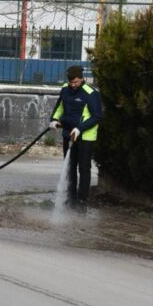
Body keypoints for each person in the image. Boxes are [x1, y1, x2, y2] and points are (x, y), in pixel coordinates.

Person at [49, 65, 102, 211]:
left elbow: (97, 116)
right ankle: (71, 200)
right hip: (68, 134)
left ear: (82, 79)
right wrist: (54, 119)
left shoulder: (90, 93)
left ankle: (82, 202)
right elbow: (60, 106)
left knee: (84, 169)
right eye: (71, 82)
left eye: (76, 82)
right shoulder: (65, 89)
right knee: (70, 168)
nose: (73, 85)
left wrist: (80, 128)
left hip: (86, 137)